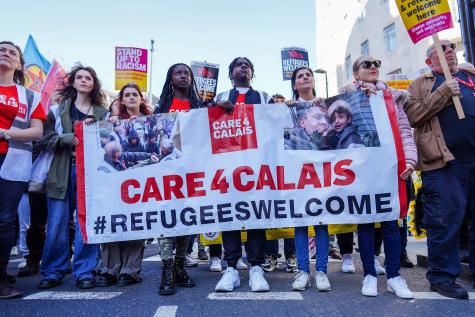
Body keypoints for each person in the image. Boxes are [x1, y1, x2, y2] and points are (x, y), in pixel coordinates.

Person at [341, 55, 417, 299]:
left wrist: (410, 160)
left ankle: (394, 276)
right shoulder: (347, 98)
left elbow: (404, 130)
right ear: (356, 73)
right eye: (367, 64)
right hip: (362, 169)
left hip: (390, 167)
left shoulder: (393, 97)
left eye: (377, 64)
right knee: (365, 223)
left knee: (391, 222)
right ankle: (369, 276)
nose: (373, 67)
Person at [405, 39, 475, 299]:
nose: (449, 51)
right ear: (428, 61)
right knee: (444, 221)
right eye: (442, 48)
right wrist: (444, 91)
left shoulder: (469, 77)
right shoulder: (421, 84)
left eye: (452, 48)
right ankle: (442, 277)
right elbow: (414, 116)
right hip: (443, 164)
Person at [38, 64, 108, 290]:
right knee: (57, 223)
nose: (84, 80)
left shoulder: (102, 114)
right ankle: (52, 271)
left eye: (88, 77)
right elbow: (43, 138)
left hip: (90, 175)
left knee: (86, 223)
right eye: (80, 77)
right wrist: (66, 138)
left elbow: (109, 144)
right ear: (73, 82)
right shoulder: (58, 110)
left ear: (94, 84)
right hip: (61, 171)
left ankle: (85, 271)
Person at [214, 57, 273, 293]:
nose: (243, 66)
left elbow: (273, 125)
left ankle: (256, 268)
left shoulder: (263, 97)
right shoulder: (220, 98)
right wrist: (216, 109)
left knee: (255, 215)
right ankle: (231, 269)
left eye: (247, 64)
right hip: (227, 166)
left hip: (255, 165)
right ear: (231, 73)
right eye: (238, 64)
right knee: (230, 215)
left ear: (252, 73)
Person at [0, 41, 45, 299]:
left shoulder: (29, 96)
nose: (5, 54)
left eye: (11, 52)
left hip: (12, 163)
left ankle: (1, 276)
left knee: (5, 221)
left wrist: (5, 133)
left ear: (19, 64)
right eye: (1, 49)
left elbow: (37, 131)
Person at [155, 63, 204, 295]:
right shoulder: (162, 107)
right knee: (167, 217)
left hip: (192, 170)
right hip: (167, 171)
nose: (183, 76)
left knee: (187, 218)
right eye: (178, 72)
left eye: (187, 73)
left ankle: (179, 266)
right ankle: (167, 268)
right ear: (170, 78)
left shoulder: (199, 106)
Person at [96, 83, 152, 287]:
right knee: (112, 220)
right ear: (121, 100)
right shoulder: (111, 123)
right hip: (115, 179)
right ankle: (109, 269)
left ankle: (130, 270)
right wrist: (110, 123)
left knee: (136, 222)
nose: (131, 98)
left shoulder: (151, 122)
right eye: (126, 95)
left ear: (141, 99)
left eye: (134, 94)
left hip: (142, 179)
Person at [282, 67, 331, 291]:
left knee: (321, 221)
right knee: (300, 222)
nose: (305, 78)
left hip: (323, 171)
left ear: (313, 81)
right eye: (300, 76)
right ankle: (302, 271)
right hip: (298, 173)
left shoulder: (326, 105)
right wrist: (282, 107)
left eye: (308, 75)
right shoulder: (287, 110)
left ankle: (321, 271)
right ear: (294, 85)